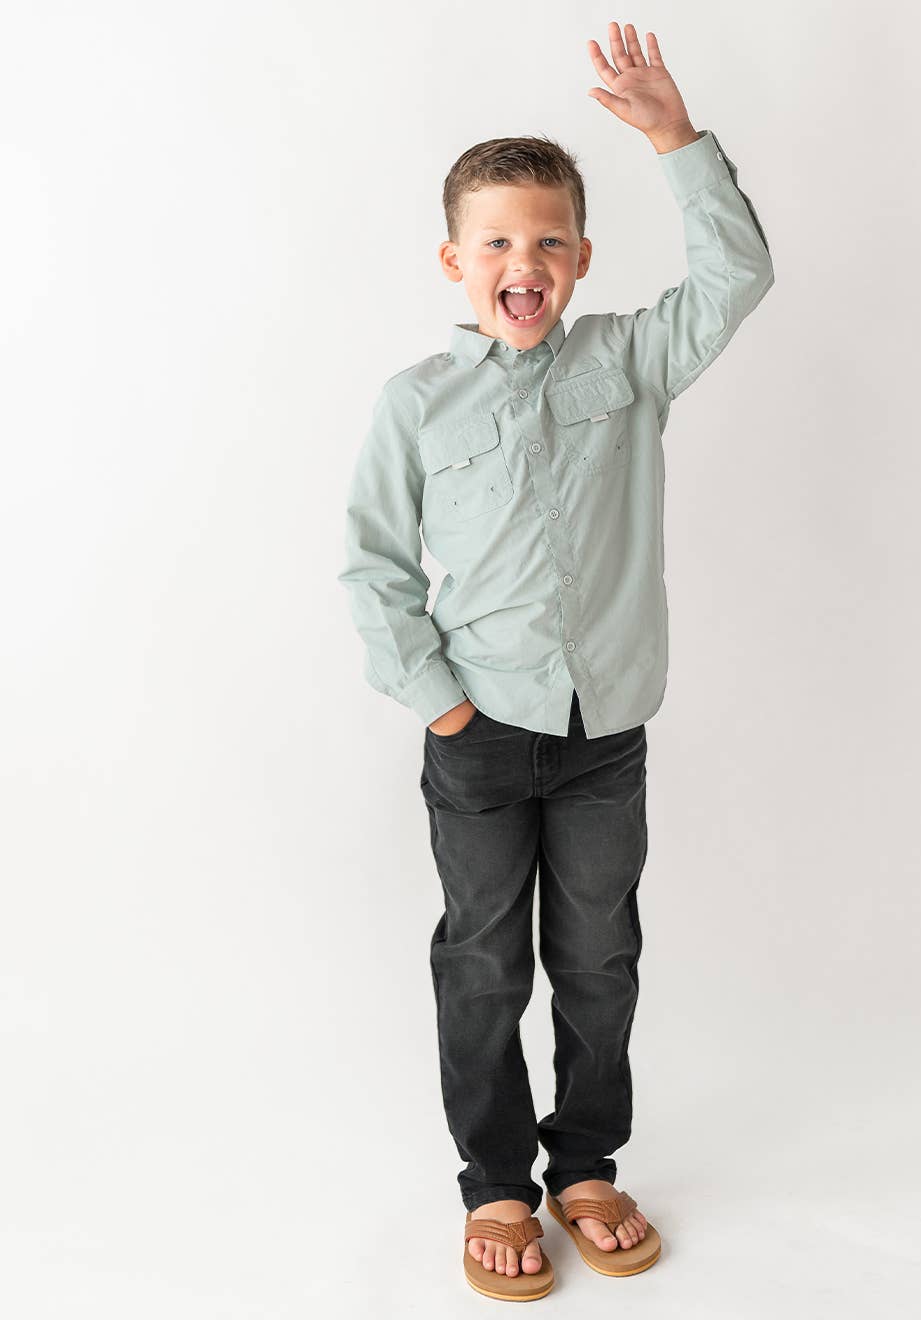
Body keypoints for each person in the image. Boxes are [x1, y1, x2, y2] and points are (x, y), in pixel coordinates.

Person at [338, 20, 774, 1301]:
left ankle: (585, 1166)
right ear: (454, 261)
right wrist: (445, 707)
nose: (521, 263)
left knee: (599, 958)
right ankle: (494, 1186)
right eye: (495, 243)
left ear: (580, 257)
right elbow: (373, 565)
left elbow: (737, 276)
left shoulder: (631, 361)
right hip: (478, 739)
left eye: (546, 242)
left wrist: (672, 137)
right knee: (484, 962)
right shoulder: (417, 402)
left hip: (604, 735)